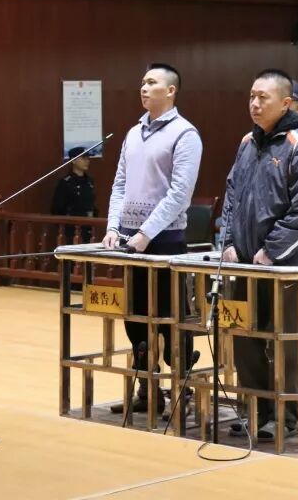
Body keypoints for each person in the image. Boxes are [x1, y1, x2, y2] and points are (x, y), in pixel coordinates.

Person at [221, 68, 298, 442]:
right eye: (251, 96)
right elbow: (231, 195)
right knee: (243, 335)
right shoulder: (247, 143)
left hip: (286, 267)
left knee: (286, 341)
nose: (254, 103)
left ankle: (285, 415)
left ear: (285, 103)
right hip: (246, 265)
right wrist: (228, 242)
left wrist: (272, 251)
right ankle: (255, 408)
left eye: (262, 97)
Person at [103, 63, 202, 414]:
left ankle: (182, 393)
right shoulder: (133, 133)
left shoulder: (185, 134)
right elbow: (119, 185)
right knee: (136, 319)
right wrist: (113, 227)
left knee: (171, 320)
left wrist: (146, 233)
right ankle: (148, 390)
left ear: (171, 90)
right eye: (142, 82)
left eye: (151, 82)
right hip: (130, 242)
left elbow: (180, 194)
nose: (143, 88)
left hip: (166, 241)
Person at [51, 146, 97, 243]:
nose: (87, 161)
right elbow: (57, 209)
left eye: (88, 158)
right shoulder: (65, 183)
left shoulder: (89, 181)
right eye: (83, 158)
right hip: (71, 230)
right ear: (73, 160)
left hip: (88, 229)